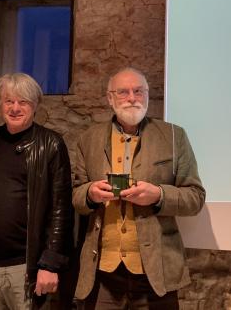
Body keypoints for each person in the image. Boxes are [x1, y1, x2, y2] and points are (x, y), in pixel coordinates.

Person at [71, 67, 205, 309]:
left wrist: (159, 195)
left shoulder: (175, 136)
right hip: (103, 273)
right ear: (109, 98)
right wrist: (90, 193)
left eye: (138, 91)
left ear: (147, 95)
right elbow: (76, 195)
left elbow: (195, 197)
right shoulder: (88, 139)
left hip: (157, 273)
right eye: (123, 92)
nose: (132, 98)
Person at [0, 73, 73, 310]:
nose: (15, 108)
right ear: (0, 104)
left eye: (23, 102)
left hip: (27, 268)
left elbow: (61, 208)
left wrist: (50, 264)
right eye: (9, 101)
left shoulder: (51, 144)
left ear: (35, 106)